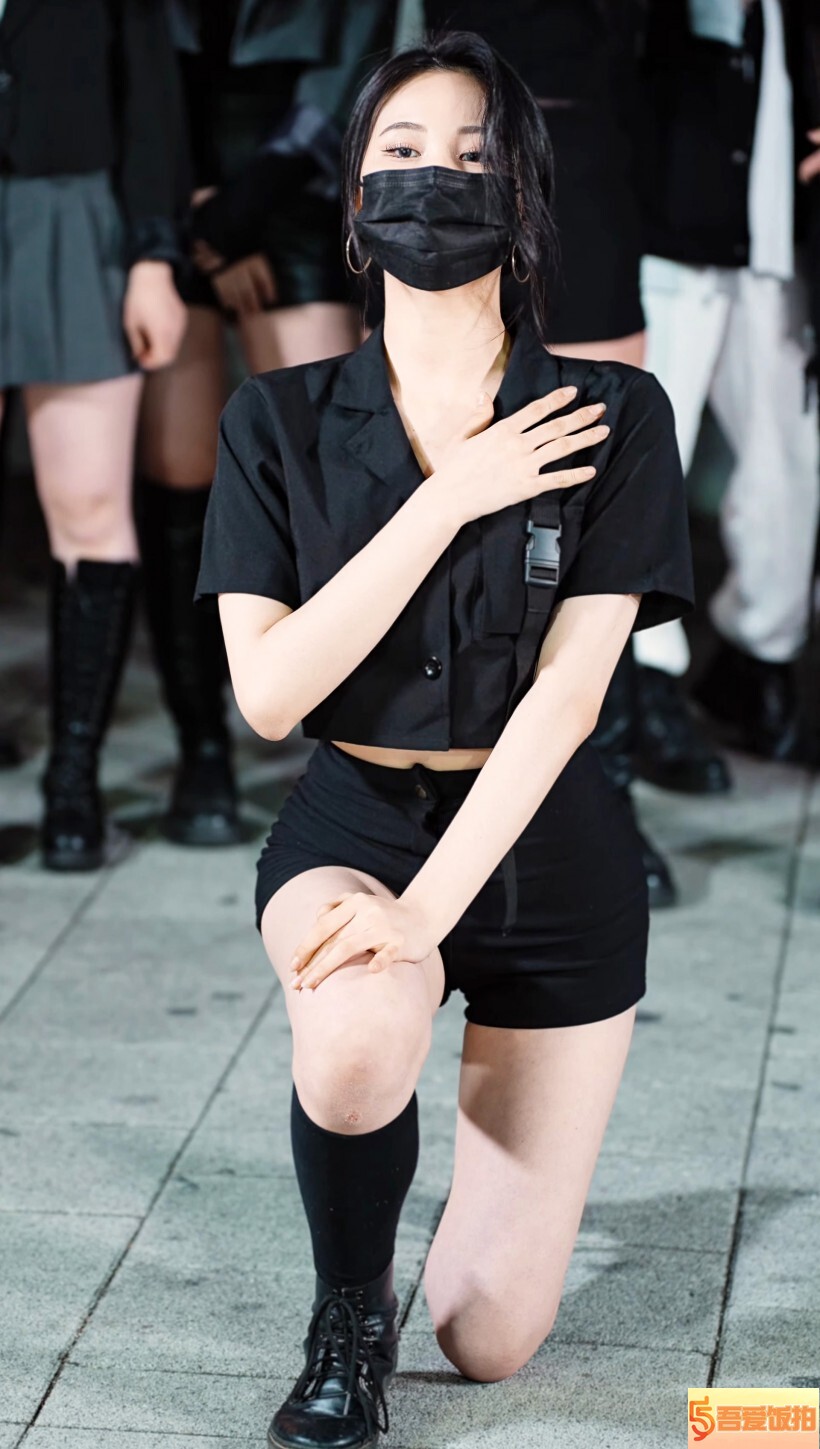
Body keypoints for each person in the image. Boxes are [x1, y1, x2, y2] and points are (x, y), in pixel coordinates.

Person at [195, 32, 695, 1449]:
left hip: (549, 849)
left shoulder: (612, 414)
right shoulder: (274, 419)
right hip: (354, 822)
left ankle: (461, 1230)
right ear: (357, 195)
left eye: (475, 157)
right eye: (402, 152)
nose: (436, 179)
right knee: (358, 1031)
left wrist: (430, 915)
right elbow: (270, 695)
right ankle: (346, 1324)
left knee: (488, 1338)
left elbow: (570, 698)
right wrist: (449, 495)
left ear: (523, 198)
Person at [424, 0, 730, 912]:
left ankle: (603, 789)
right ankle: (447, 773)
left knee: (597, 494)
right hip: (457, 155)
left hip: (592, 154)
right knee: (451, 478)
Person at [135, 0, 396, 846]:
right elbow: (134, 66)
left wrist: (237, 215)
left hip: (294, 190)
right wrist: (197, 218)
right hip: (170, 191)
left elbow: (353, 70)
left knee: (333, 481)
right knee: (179, 475)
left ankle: (349, 740)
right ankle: (202, 743)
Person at [0, 0, 187, 869]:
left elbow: (149, 87)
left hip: (74, 209)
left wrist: (153, 253)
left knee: (87, 505)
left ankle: (71, 785)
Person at [636, 0, 820, 762]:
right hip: (668, 229)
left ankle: (757, 655)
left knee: (792, 459)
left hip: (774, 235)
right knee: (649, 460)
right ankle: (642, 673)